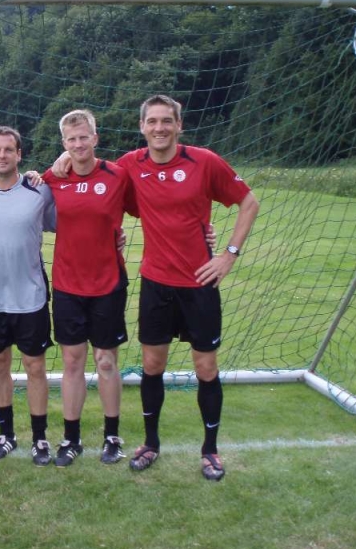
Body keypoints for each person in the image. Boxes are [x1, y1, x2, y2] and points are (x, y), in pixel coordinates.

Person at [55, 95, 259, 480]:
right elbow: (94, 174)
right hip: (156, 282)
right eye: (152, 121)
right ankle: (150, 444)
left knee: (206, 366)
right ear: (142, 126)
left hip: (200, 282)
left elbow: (249, 202)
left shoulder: (204, 161)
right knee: (152, 365)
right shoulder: (130, 165)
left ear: (179, 125)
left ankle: (210, 450)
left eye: (167, 121)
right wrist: (64, 158)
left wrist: (228, 254)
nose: (159, 128)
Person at [43, 109, 134, 468]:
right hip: (68, 284)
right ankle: (71, 438)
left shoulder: (117, 175)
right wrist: (51, 165)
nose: (79, 144)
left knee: (106, 360)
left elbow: (154, 206)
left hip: (107, 283)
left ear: (95, 138)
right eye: (71, 139)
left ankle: (112, 437)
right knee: (72, 361)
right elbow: (28, 185)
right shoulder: (54, 177)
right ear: (64, 143)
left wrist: (204, 231)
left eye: (84, 137)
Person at [0, 126, 56, 466]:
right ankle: (6, 434)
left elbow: (70, 223)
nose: (1, 155)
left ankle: (40, 438)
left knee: (35, 366)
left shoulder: (39, 191)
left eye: (8, 149)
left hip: (30, 296)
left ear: (19, 154)